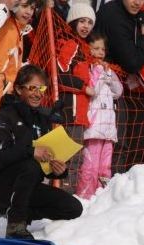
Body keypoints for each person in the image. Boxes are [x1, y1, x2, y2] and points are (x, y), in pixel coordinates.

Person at [0, 65, 83, 239]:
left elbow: (42, 164)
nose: (38, 93)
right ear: (18, 89)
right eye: (32, 88)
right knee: (30, 165)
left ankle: (20, 212)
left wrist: (58, 170)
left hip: (27, 185)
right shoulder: (4, 116)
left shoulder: (42, 119)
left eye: (41, 88)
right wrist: (31, 151)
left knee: (73, 208)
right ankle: (15, 224)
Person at [76, 32, 123, 199]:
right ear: (88, 49)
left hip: (108, 128)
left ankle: (102, 197)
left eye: (102, 48)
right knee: (90, 165)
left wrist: (109, 76)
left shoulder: (107, 70)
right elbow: (93, 90)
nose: (100, 52)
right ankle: (85, 196)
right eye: (96, 48)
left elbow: (118, 92)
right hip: (94, 126)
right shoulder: (88, 69)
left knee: (105, 165)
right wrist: (100, 73)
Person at [57, 0, 97, 192]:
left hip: (79, 114)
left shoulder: (84, 48)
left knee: (75, 157)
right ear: (72, 22)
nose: (86, 26)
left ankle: (66, 196)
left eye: (90, 22)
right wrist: (83, 87)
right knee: (67, 157)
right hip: (69, 112)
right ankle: (62, 196)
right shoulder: (71, 44)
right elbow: (59, 76)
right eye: (82, 21)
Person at [0, 0, 35, 115]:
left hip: (7, 98)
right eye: (24, 6)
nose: (29, 12)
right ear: (14, 5)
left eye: (32, 8)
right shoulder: (8, 30)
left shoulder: (18, 29)